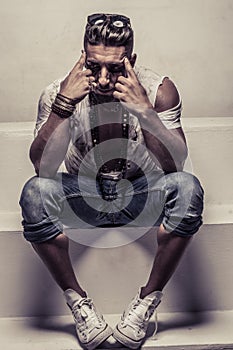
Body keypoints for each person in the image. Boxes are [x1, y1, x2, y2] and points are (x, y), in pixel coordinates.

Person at [19, 13, 204, 350]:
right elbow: (42, 169)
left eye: (115, 68)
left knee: (189, 188)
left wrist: (144, 111)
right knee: (33, 194)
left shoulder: (157, 90)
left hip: (140, 194)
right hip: (83, 193)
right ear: (82, 57)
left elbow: (173, 166)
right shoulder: (57, 92)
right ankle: (78, 303)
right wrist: (64, 105)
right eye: (94, 66)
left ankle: (146, 303)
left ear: (131, 60)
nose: (103, 79)